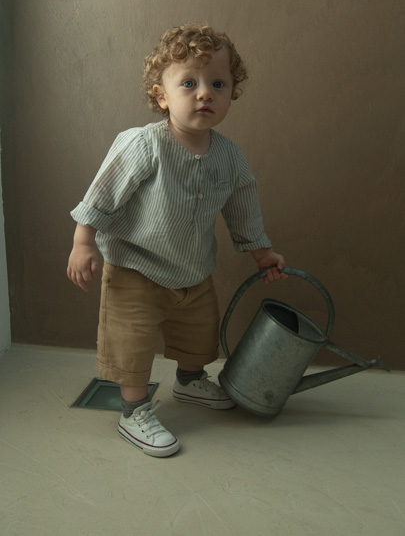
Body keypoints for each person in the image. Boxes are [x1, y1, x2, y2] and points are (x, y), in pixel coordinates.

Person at [67, 24, 287, 458]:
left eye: (218, 84)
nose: (204, 93)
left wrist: (262, 252)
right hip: (135, 268)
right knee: (132, 341)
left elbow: (242, 209)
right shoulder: (143, 144)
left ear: (231, 94)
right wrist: (83, 242)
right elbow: (102, 194)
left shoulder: (230, 156)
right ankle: (133, 410)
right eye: (189, 83)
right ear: (162, 95)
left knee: (198, 331)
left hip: (192, 268)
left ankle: (189, 381)